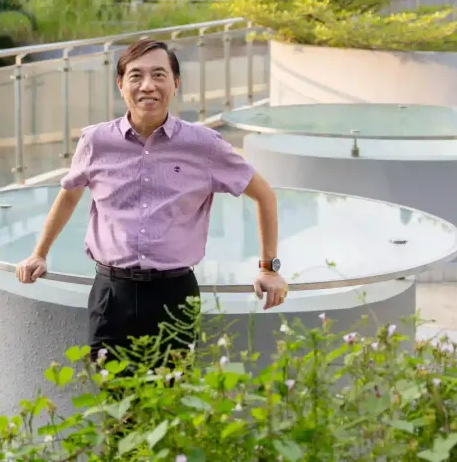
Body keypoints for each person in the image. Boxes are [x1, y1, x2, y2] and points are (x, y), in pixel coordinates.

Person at [15, 38, 287, 361]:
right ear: (120, 85)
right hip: (110, 294)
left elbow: (264, 195)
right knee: (115, 402)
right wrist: (39, 254)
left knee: (171, 400)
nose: (148, 86)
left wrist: (269, 268)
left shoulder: (204, 145)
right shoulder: (96, 141)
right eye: (136, 76)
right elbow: (69, 196)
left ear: (176, 84)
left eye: (159, 75)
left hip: (174, 294)